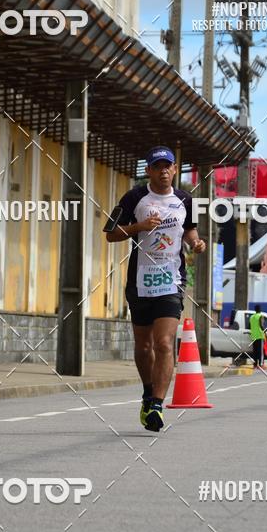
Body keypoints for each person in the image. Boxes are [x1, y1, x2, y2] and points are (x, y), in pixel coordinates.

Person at [104, 146, 205, 432]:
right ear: (148, 170)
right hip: (140, 281)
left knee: (164, 343)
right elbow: (110, 234)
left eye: (168, 166)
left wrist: (195, 242)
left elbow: (190, 230)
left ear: (175, 170)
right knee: (144, 345)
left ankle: (157, 406)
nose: (163, 171)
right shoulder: (135, 197)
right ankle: (148, 393)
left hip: (171, 280)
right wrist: (139, 226)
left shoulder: (186, 199)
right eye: (157, 166)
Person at [249, 305, 267, 369]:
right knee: (260, 352)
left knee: (255, 351)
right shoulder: (260, 316)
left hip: (253, 336)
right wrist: (266, 334)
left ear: (255, 310)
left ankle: (255, 365)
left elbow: (250, 326)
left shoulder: (251, 317)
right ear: (260, 309)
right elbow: (261, 326)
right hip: (260, 336)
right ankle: (261, 364)